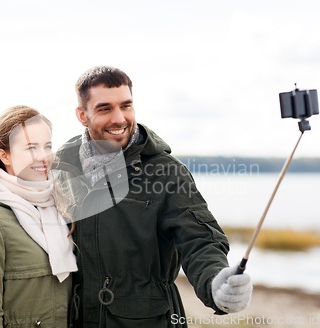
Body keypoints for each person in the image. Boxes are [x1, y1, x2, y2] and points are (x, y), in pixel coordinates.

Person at [53, 66, 253, 328]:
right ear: (82, 115)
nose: (119, 118)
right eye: (105, 109)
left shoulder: (167, 171)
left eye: (126, 106)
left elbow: (201, 239)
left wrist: (216, 282)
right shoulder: (63, 167)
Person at [0, 105, 78, 328]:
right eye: (31, 148)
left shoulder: (59, 210)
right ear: (5, 155)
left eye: (47, 146)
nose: (43, 157)